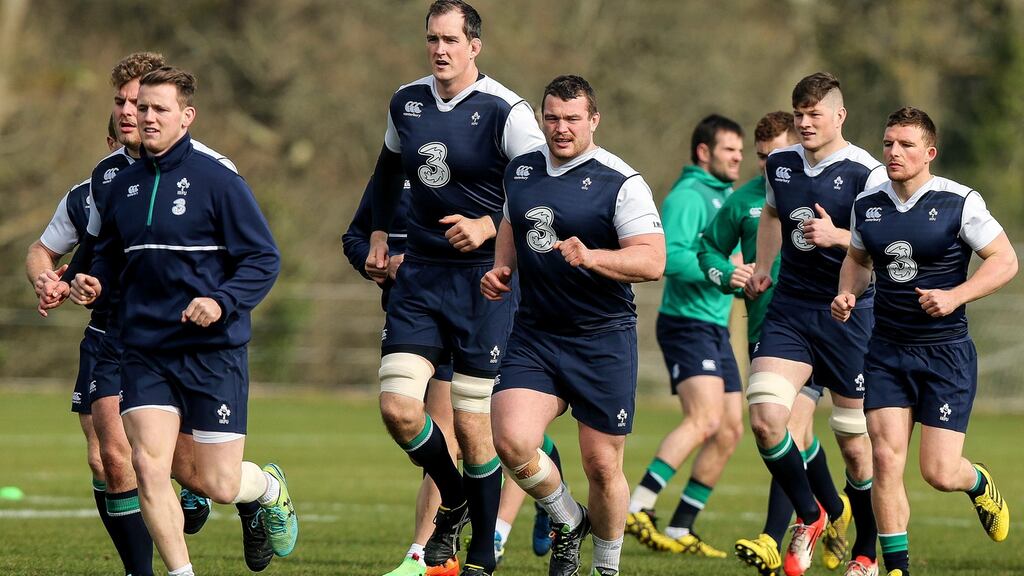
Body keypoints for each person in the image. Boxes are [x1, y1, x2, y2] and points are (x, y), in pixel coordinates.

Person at [69, 66, 293, 576]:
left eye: (160, 109)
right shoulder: (121, 184)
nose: (146, 118)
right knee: (148, 465)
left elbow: (262, 258)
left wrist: (220, 300)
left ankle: (266, 488)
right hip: (144, 349)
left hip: (211, 351)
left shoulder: (219, 180)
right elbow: (107, 254)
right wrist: (93, 281)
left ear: (186, 117)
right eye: (141, 108)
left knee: (216, 482)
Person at [365, 1, 545, 574]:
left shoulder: (507, 110)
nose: (439, 50)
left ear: (475, 46)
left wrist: (490, 227)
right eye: (431, 39)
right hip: (421, 273)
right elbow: (388, 171)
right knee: (397, 407)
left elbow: (542, 188)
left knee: (473, 427)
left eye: (450, 39)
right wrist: (374, 231)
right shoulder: (406, 101)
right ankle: (458, 495)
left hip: (485, 283)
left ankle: (483, 552)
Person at [485, 74, 665, 576]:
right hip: (536, 334)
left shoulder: (620, 182)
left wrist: (592, 257)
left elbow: (653, 262)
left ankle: (606, 567)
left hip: (602, 338)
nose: (560, 128)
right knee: (511, 438)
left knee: (602, 466)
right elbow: (511, 221)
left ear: (593, 120)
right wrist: (503, 268)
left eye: (571, 119)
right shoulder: (521, 170)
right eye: (552, 117)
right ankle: (568, 517)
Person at [832, 107, 1014, 576]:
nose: (894, 152)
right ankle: (896, 568)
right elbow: (857, 259)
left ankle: (977, 483)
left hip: (945, 356)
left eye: (906, 144)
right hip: (887, 351)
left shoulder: (959, 202)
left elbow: (1005, 260)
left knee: (938, 472)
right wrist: (847, 293)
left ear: (929, 153)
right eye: (888, 142)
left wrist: (956, 295)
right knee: (885, 459)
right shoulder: (867, 204)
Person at [744, 72, 888, 576]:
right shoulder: (780, 163)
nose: (805, 123)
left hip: (850, 315)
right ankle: (812, 512)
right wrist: (763, 267)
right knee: (765, 418)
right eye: (799, 114)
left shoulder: (867, 172)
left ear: (839, 116)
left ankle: (867, 551)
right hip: (791, 310)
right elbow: (769, 216)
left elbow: (885, 242)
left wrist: (837, 235)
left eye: (815, 114)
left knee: (855, 444)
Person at [697, 111, 846, 576]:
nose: (767, 167)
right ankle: (832, 511)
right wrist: (730, 274)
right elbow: (704, 250)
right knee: (788, 430)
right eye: (760, 159)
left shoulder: (833, 183)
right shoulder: (745, 200)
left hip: (826, 326)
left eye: (773, 157)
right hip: (770, 329)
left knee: (787, 425)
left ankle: (774, 535)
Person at [24, 116, 153, 575]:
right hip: (104, 335)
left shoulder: (186, 180)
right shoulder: (89, 192)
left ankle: (244, 490)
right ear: (109, 140)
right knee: (106, 457)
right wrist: (45, 278)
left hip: (160, 336)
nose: (134, 121)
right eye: (122, 113)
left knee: (182, 465)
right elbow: (44, 249)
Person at [624, 114, 745, 558]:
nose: (738, 157)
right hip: (686, 323)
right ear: (703, 152)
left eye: (739, 150)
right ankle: (638, 506)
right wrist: (726, 272)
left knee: (731, 429)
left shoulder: (727, 197)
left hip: (716, 326)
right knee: (706, 420)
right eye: (729, 149)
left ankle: (680, 527)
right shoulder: (688, 196)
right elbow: (669, 259)